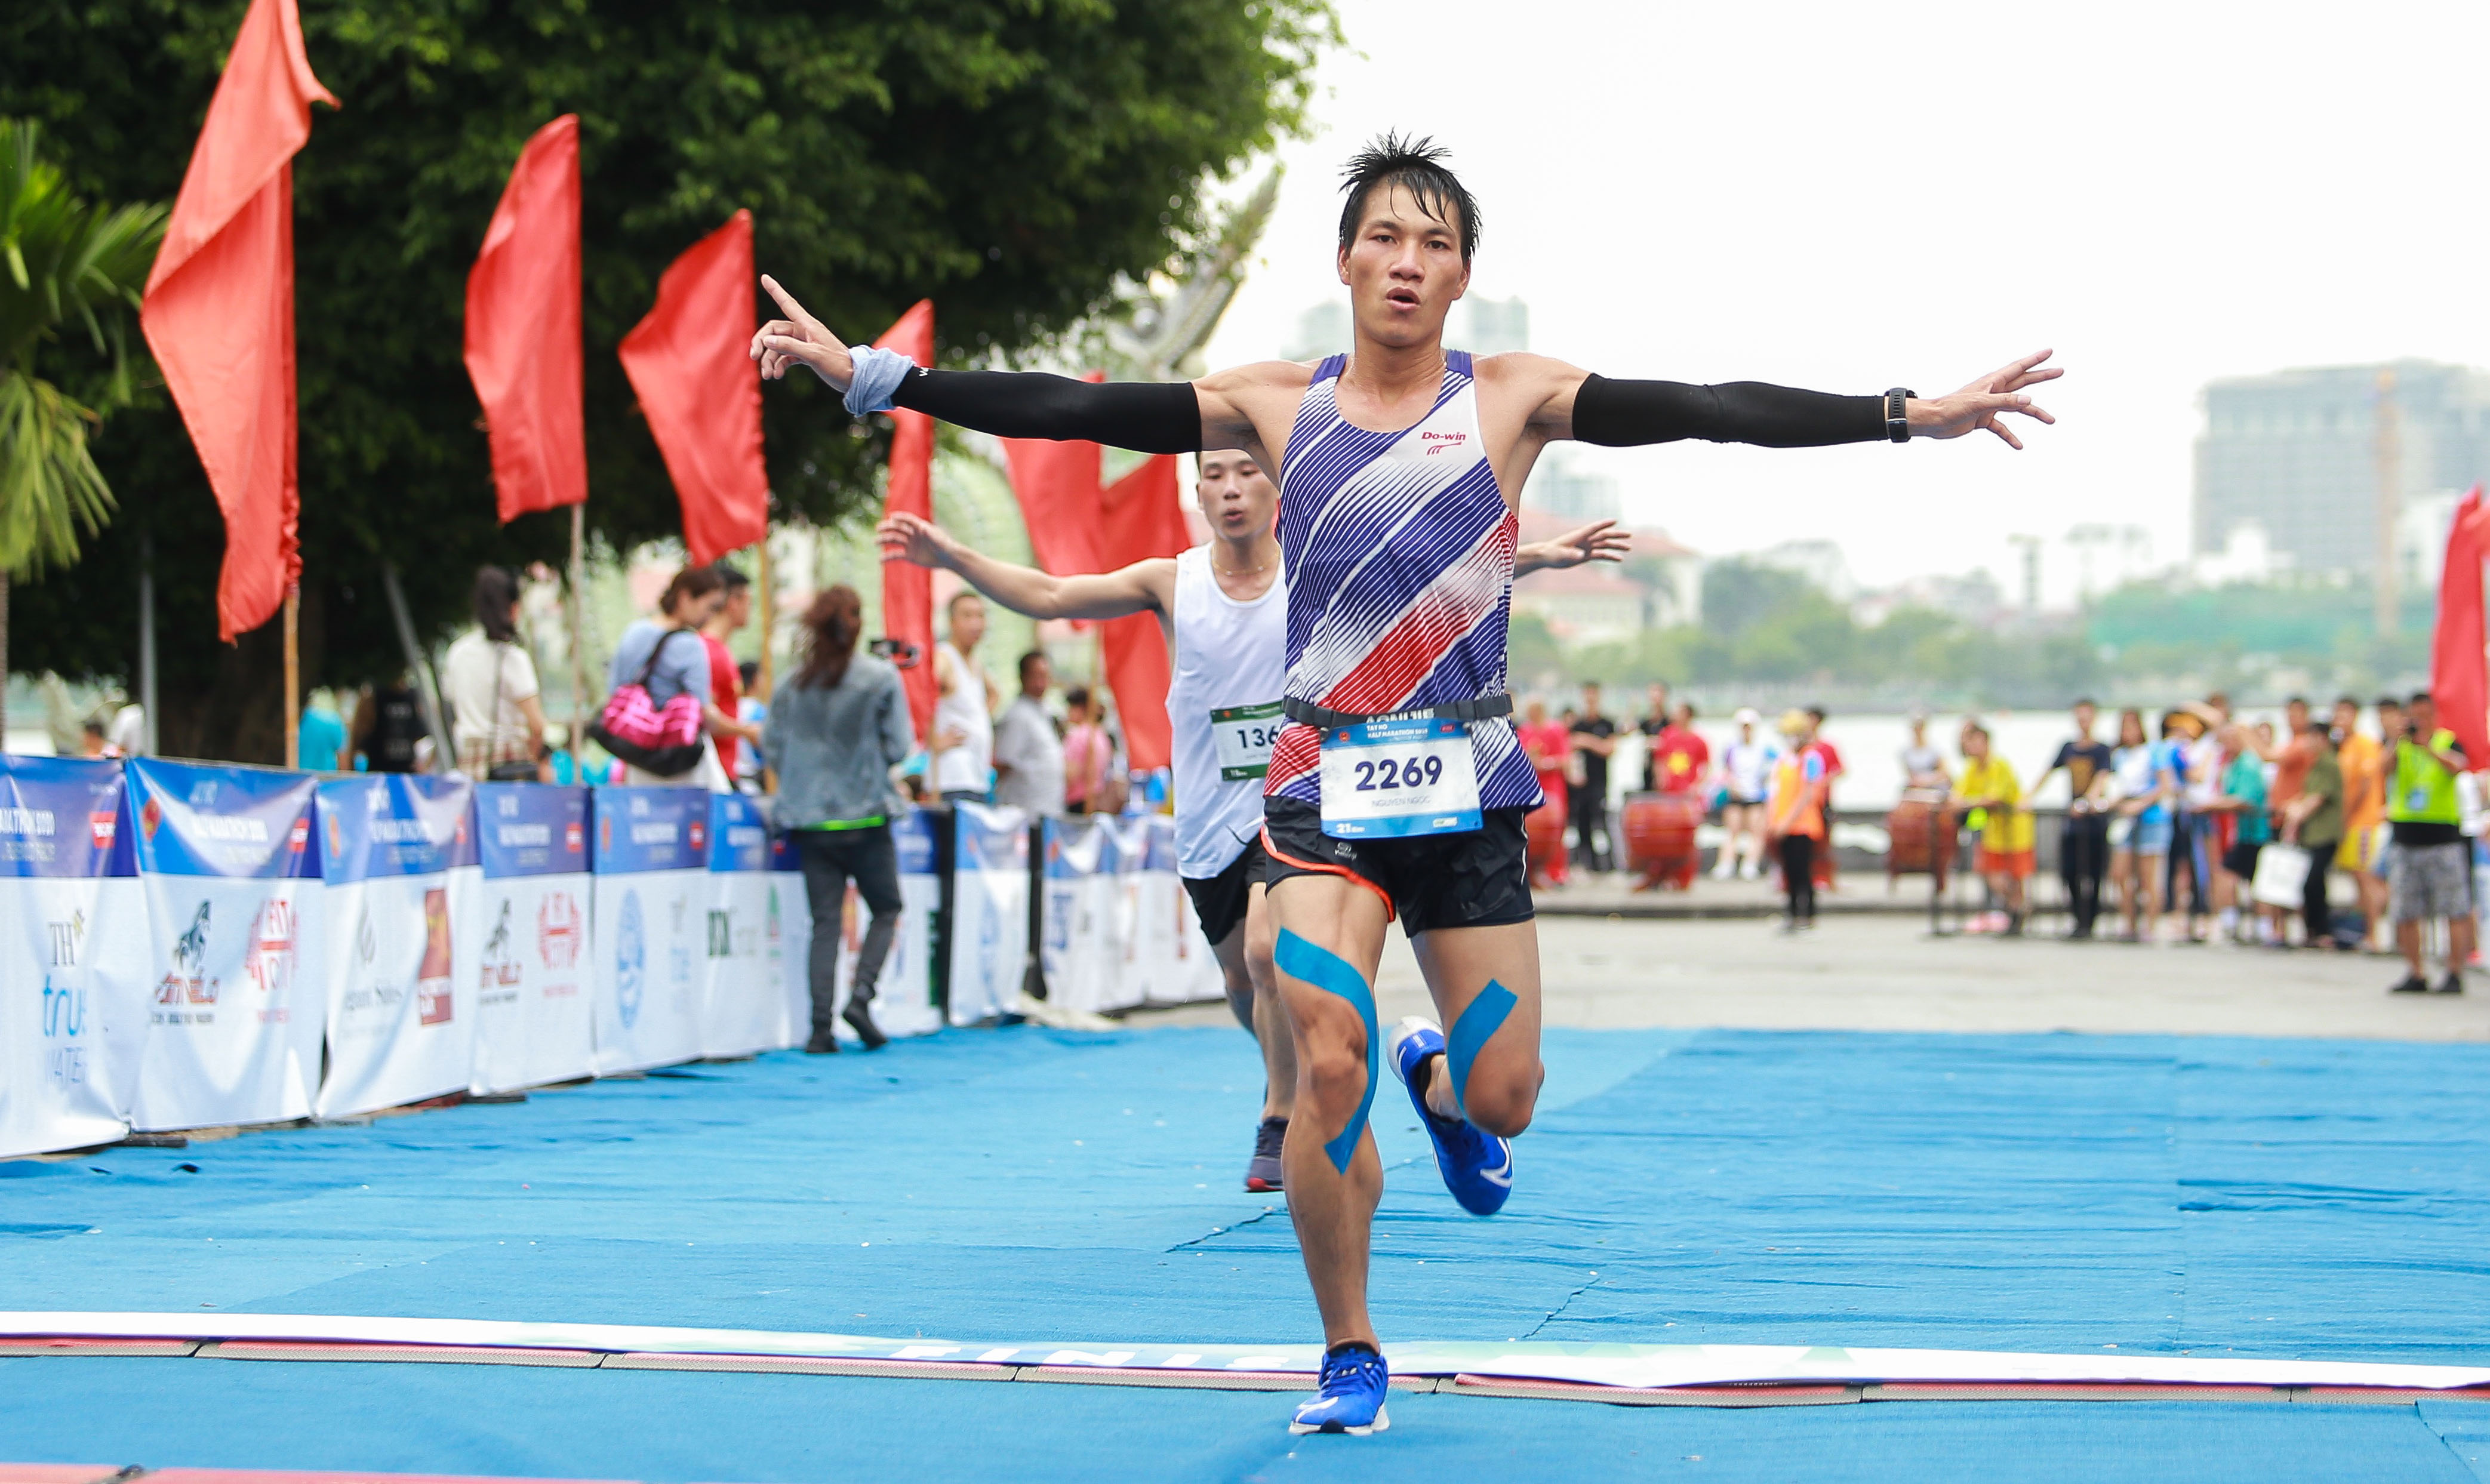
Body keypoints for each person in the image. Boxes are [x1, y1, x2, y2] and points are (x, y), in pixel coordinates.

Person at [753, 131, 2057, 1436]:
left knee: (1507, 1099)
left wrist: (1907, 413)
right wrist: (881, 377)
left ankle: (1443, 1084)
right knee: (1324, 1060)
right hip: (1323, 795)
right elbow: (1082, 406)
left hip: (1466, 792)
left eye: (1435, 242)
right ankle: (1351, 1349)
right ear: (1346, 261)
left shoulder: (1512, 397)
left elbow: (1709, 405)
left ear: (1460, 277)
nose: (1406, 260)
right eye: (1385, 234)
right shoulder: (1273, 403)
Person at [879, 451, 1626, 1190]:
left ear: (1276, 486)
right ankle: (1334, 1079)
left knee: (1271, 952)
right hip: (1210, 818)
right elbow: (1048, 594)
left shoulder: (1316, 571)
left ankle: (1282, 1114)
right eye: (1215, 476)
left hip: (1302, 802)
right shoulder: (1170, 583)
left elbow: (1426, 575)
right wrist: (950, 552)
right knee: (1245, 979)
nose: (1232, 490)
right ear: (1197, 490)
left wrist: (1537, 557)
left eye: (1247, 473)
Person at [764, 585, 913, 1052]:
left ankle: (819, 1028)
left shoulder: (792, 684)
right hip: (866, 816)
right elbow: (899, 748)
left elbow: (771, 746)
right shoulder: (880, 678)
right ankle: (862, 995)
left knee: (825, 923)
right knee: (886, 908)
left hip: (810, 821)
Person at [606, 565, 754, 790]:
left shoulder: (633, 633)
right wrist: (748, 731)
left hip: (636, 757)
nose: (710, 616)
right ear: (685, 598)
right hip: (676, 759)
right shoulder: (691, 645)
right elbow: (705, 715)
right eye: (711, 607)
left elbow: (614, 692)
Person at [2386, 691, 2471, 994]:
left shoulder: (2447, 741)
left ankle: (2454, 972)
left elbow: (2459, 767)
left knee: (2455, 909)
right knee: (2407, 911)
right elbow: (2381, 771)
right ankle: (2416, 971)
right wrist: (2396, 742)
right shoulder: (2402, 746)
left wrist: (2428, 748)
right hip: (2406, 836)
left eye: (2423, 715)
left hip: (2443, 837)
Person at [444, 566, 551, 781]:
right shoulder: (513, 658)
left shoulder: (458, 653)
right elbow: (537, 725)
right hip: (510, 764)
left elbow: (452, 704)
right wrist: (537, 755)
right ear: (513, 608)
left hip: (470, 763)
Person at [2036, 698, 2115, 939]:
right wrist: (2028, 797)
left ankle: (2089, 920)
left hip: (2094, 819)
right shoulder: (2068, 747)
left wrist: (2088, 800)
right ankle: (2078, 917)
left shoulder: (2102, 749)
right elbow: (2048, 772)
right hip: (2073, 820)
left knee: (2095, 872)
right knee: (2070, 870)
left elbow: (2102, 777)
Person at [1955, 720, 2033, 935]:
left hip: (2015, 829)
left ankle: (2017, 910)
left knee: (2015, 875)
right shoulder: (1972, 768)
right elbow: (1959, 794)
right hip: (1994, 831)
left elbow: (1994, 798)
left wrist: (1970, 802)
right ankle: (2015, 907)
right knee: (1991, 874)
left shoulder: (1999, 766)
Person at [2277, 716, 2344, 949]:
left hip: (2325, 832)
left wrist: (2297, 815)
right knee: (2313, 883)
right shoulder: (2315, 763)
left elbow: (2318, 798)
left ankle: (2322, 930)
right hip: (2313, 833)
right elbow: (2308, 794)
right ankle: (2313, 931)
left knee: (2313, 881)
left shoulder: (2328, 762)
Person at [2337, 696, 2396, 949]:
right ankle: (2364, 932)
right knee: (2357, 878)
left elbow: (2364, 785)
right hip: (2351, 823)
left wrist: (2347, 816)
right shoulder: (2344, 745)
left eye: (2345, 714)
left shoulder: (2365, 744)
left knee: (2367, 878)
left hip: (2364, 822)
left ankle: (2375, 935)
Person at [2208, 722, 2273, 944]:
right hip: (2243, 833)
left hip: (2257, 833)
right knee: (2241, 879)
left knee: (2234, 877)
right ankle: (2236, 925)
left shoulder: (2248, 764)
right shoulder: (2232, 764)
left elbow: (2246, 800)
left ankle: (2257, 929)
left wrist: (2213, 805)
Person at [930, 591, 998, 806]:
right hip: (953, 778)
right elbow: (920, 692)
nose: (975, 623)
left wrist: (977, 724)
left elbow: (995, 694)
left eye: (980, 616)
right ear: (952, 622)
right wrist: (932, 741)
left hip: (976, 775)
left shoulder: (974, 663)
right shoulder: (944, 657)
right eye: (967, 616)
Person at [2106, 708, 2165, 944]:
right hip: (2126, 818)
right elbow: (2117, 786)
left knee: (2148, 876)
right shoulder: (2119, 756)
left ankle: (2149, 926)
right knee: (2120, 873)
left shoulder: (2153, 752)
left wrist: (2140, 805)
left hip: (2151, 818)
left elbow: (2164, 785)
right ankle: (2128, 922)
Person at [1765, 710, 1827, 931]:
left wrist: (1787, 821)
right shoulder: (1783, 760)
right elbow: (1775, 792)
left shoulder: (1811, 758)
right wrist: (1772, 820)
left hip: (1803, 825)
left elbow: (1808, 794)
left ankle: (1807, 914)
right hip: (1782, 825)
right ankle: (1790, 913)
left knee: (1803, 870)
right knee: (1788, 871)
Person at [990, 650, 1065, 815]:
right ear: (1023, 677)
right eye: (1035, 676)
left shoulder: (1047, 711)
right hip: (1025, 812)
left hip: (1048, 809)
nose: (1041, 683)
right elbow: (1003, 763)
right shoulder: (1017, 715)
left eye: (1045, 676)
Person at [703, 564, 753, 783]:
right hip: (714, 775)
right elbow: (705, 716)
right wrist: (750, 731)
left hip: (725, 770)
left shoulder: (721, 650)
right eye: (749, 602)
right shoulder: (710, 653)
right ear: (734, 602)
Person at [1718, 707, 1777, 880]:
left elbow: (1777, 768)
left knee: (1756, 832)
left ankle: (1750, 864)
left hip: (1756, 795)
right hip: (1736, 794)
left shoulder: (1765, 749)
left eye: (1749, 726)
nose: (1746, 730)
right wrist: (1731, 785)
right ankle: (1726, 864)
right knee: (1732, 830)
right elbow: (1726, 771)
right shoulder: (1731, 748)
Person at [1567, 682, 1618, 873]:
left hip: (1600, 781)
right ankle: (1588, 863)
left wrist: (1588, 742)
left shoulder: (1607, 724)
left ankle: (1611, 863)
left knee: (1602, 821)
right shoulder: (1577, 724)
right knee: (1582, 823)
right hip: (1581, 782)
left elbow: (1609, 749)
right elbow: (1569, 749)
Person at [353, 673, 427, 774]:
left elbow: (422, 735)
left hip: (407, 771)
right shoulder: (375, 695)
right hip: (380, 772)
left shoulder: (413, 697)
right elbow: (360, 731)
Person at [1060, 686, 1114, 815]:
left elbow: (1071, 774)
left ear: (1080, 709)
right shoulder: (1100, 734)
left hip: (1080, 801)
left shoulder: (1077, 736)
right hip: (1097, 799)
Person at [1649, 701, 1708, 795]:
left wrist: (1697, 785)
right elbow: (1659, 759)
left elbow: (1705, 766)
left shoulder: (1699, 741)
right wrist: (1660, 778)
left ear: (1688, 715)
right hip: (1668, 790)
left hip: (1687, 791)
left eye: (1680, 713)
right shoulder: (1666, 735)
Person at [735, 661, 770, 792]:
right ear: (756, 679)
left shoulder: (732, 708)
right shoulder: (759, 711)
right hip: (752, 781)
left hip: (731, 778)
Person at [297, 690, 347, 772]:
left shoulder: (307, 717)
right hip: (326, 774)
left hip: (303, 771)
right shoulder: (335, 721)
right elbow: (342, 755)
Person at [1899, 711, 1950, 792]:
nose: (1918, 730)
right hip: (1916, 786)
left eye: (1920, 727)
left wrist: (1927, 781)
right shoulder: (1906, 752)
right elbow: (1910, 775)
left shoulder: (1935, 750)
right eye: (1916, 727)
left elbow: (1944, 773)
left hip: (1934, 786)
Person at [1636, 681, 1672, 792]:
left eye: (1658, 692)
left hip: (1667, 768)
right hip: (1648, 766)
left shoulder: (1670, 721)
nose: (1655, 696)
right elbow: (1624, 730)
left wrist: (1660, 744)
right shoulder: (1646, 721)